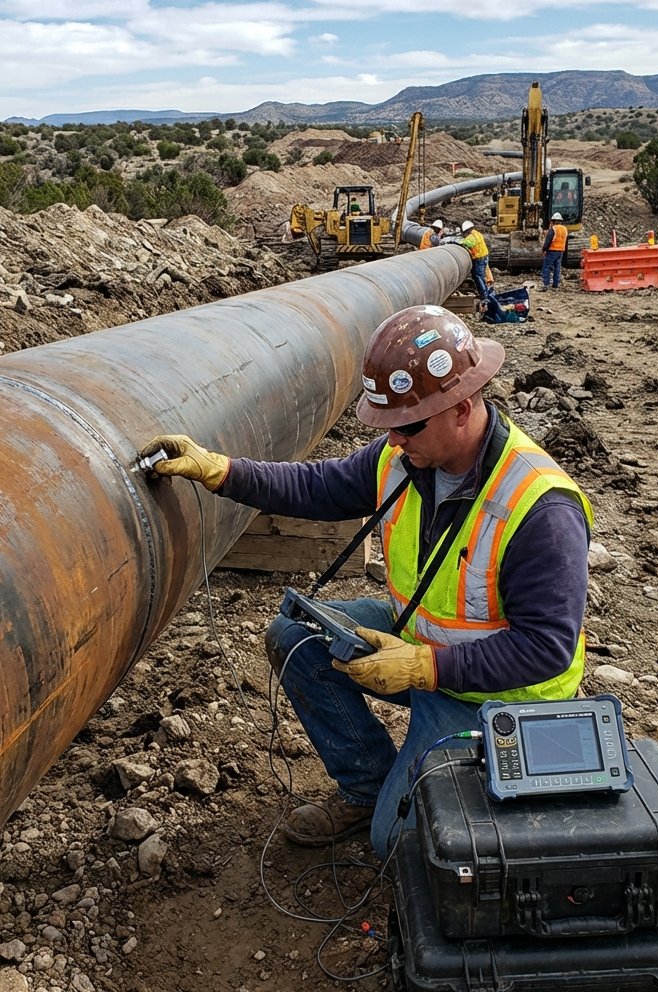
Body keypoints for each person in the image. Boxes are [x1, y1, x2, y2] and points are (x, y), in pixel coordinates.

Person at [140, 306, 593, 859]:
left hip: (498, 699)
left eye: (408, 425)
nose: (395, 440)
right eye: (388, 426)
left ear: (462, 407)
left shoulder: (539, 508)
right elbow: (318, 486)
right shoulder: (406, 458)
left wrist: (426, 667)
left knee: (398, 846)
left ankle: (411, 804)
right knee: (298, 637)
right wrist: (221, 470)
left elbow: (546, 648)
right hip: (425, 651)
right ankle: (367, 785)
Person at [457, 220, 490, 300]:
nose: (465, 234)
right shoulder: (477, 233)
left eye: (465, 232)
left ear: (468, 230)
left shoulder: (472, 236)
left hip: (479, 258)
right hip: (484, 256)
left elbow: (467, 244)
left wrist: (458, 243)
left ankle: (484, 296)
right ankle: (485, 294)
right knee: (481, 277)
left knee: (478, 277)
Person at [541, 212, 568, 291]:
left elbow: (548, 241)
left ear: (553, 221)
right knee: (557, 268)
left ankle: (546, 285)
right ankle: (555, 285)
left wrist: (544, 249)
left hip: (552, 251)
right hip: (560, 251)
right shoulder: (564, 229)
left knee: (546, 267)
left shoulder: (553, 229)